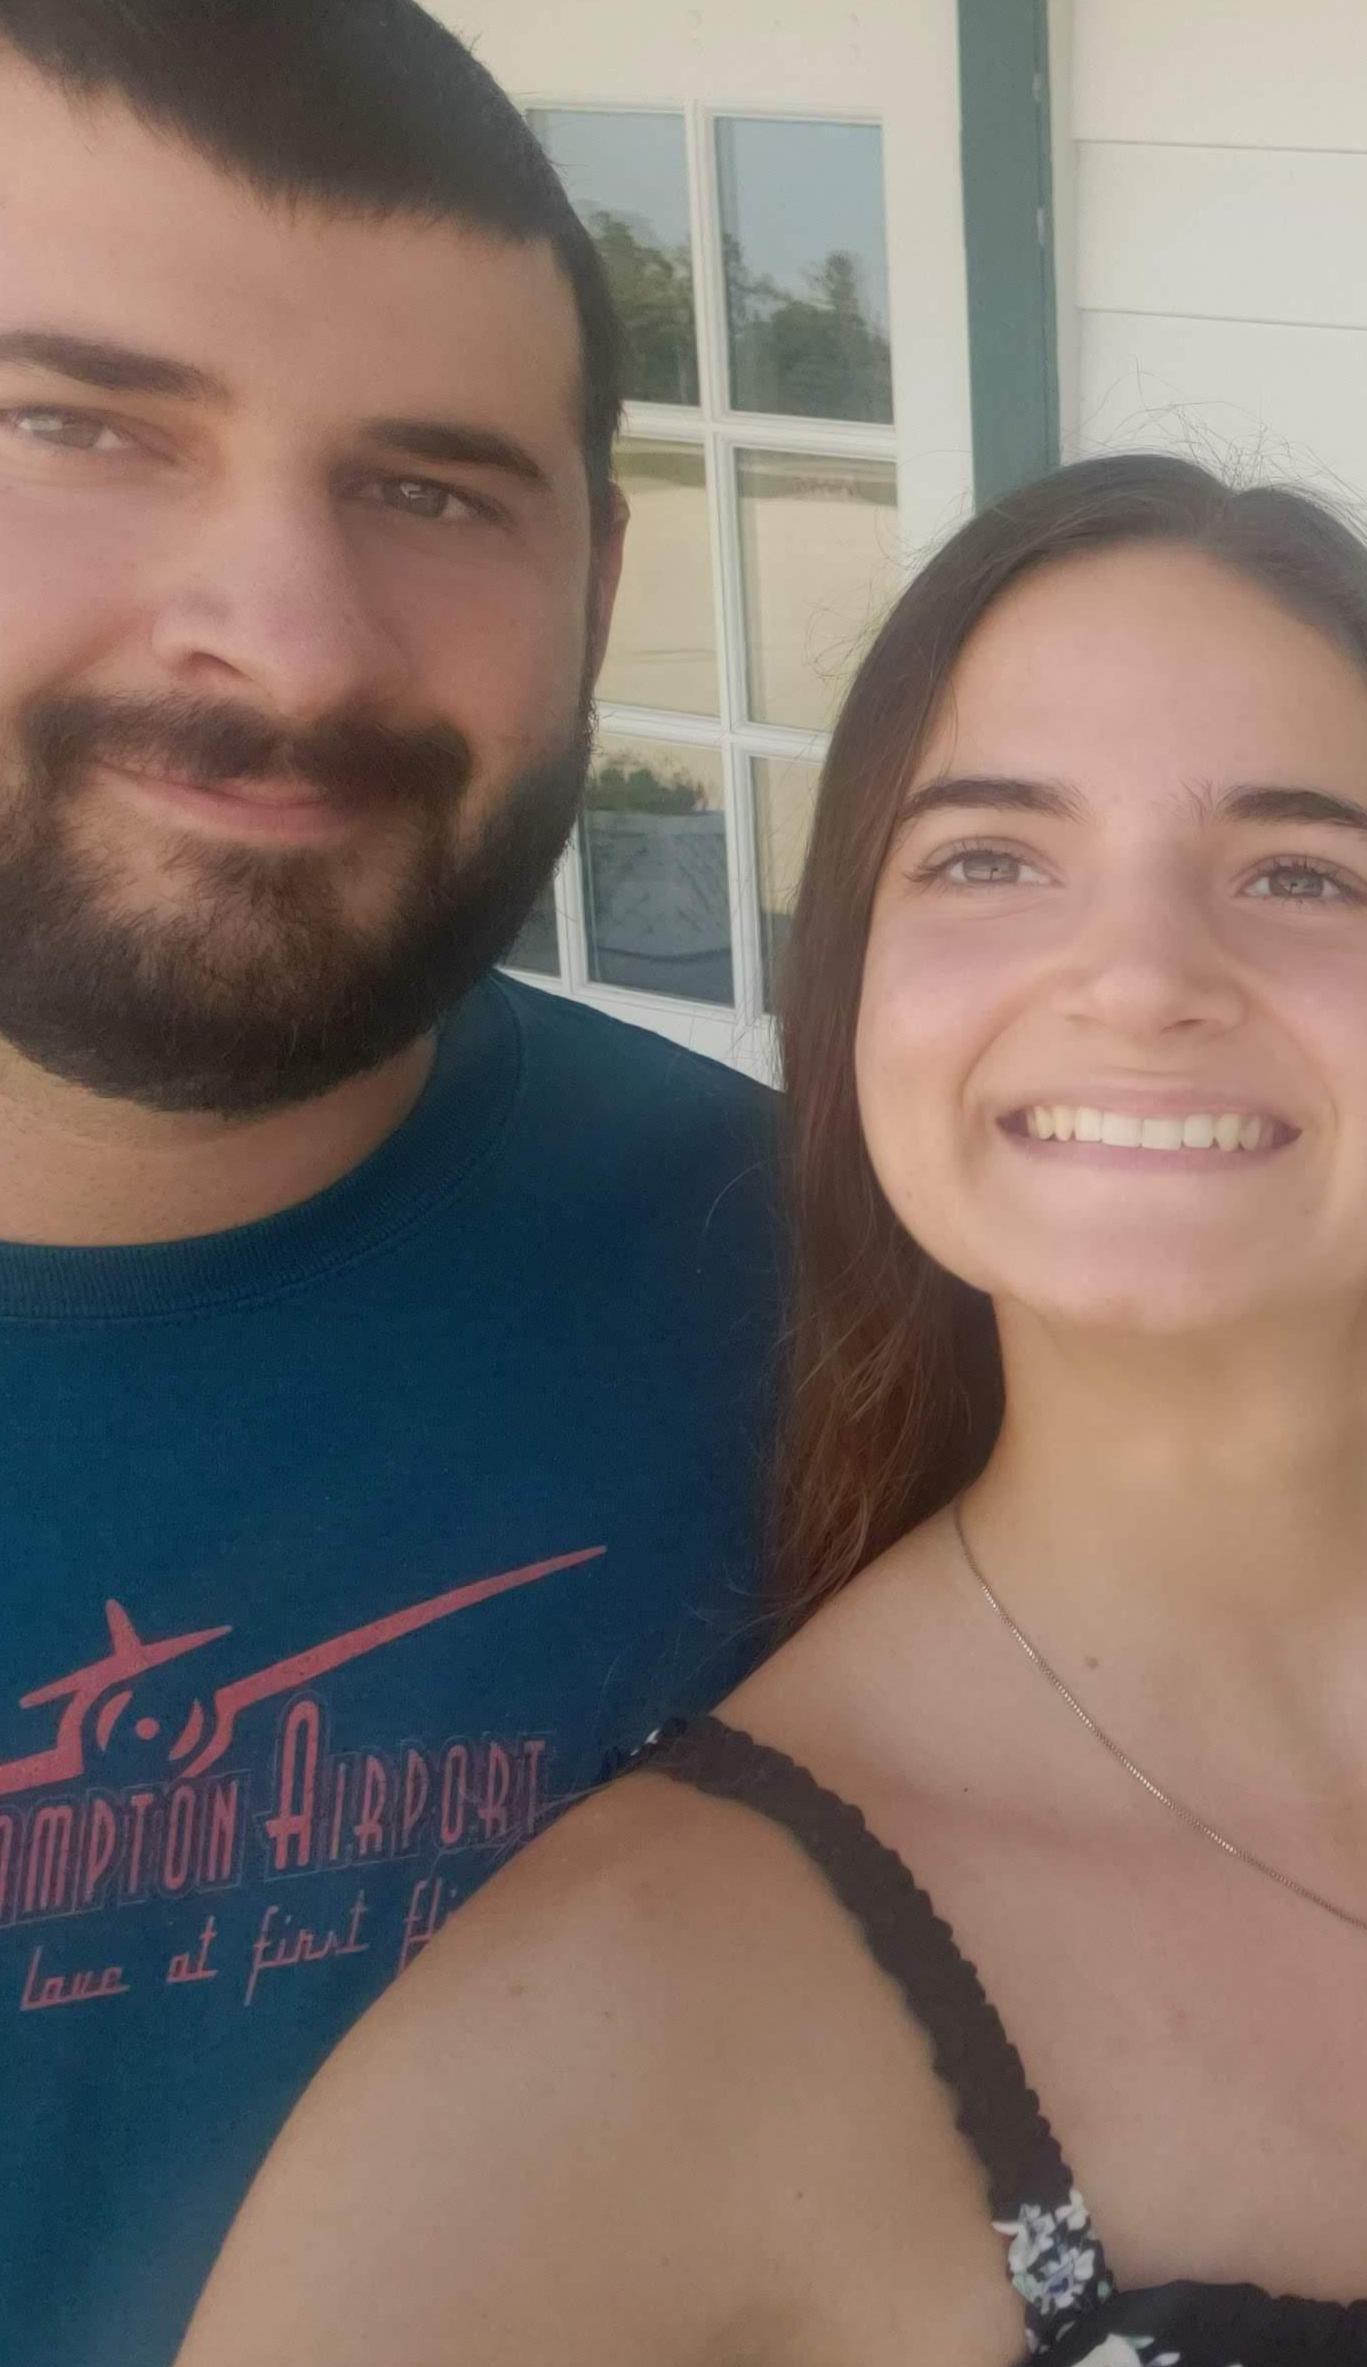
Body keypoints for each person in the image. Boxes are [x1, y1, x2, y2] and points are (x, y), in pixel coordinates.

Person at [181, 454, 1367, 2366]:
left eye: (1298, 869)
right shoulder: (599, 2051)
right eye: (990, 859)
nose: (1140, 976)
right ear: (861, 1031)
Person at [0, 6, 784, 2362]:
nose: (286, 640)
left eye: (434, 488)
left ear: (597, 574)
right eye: (80, 428)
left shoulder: (829, 1286)